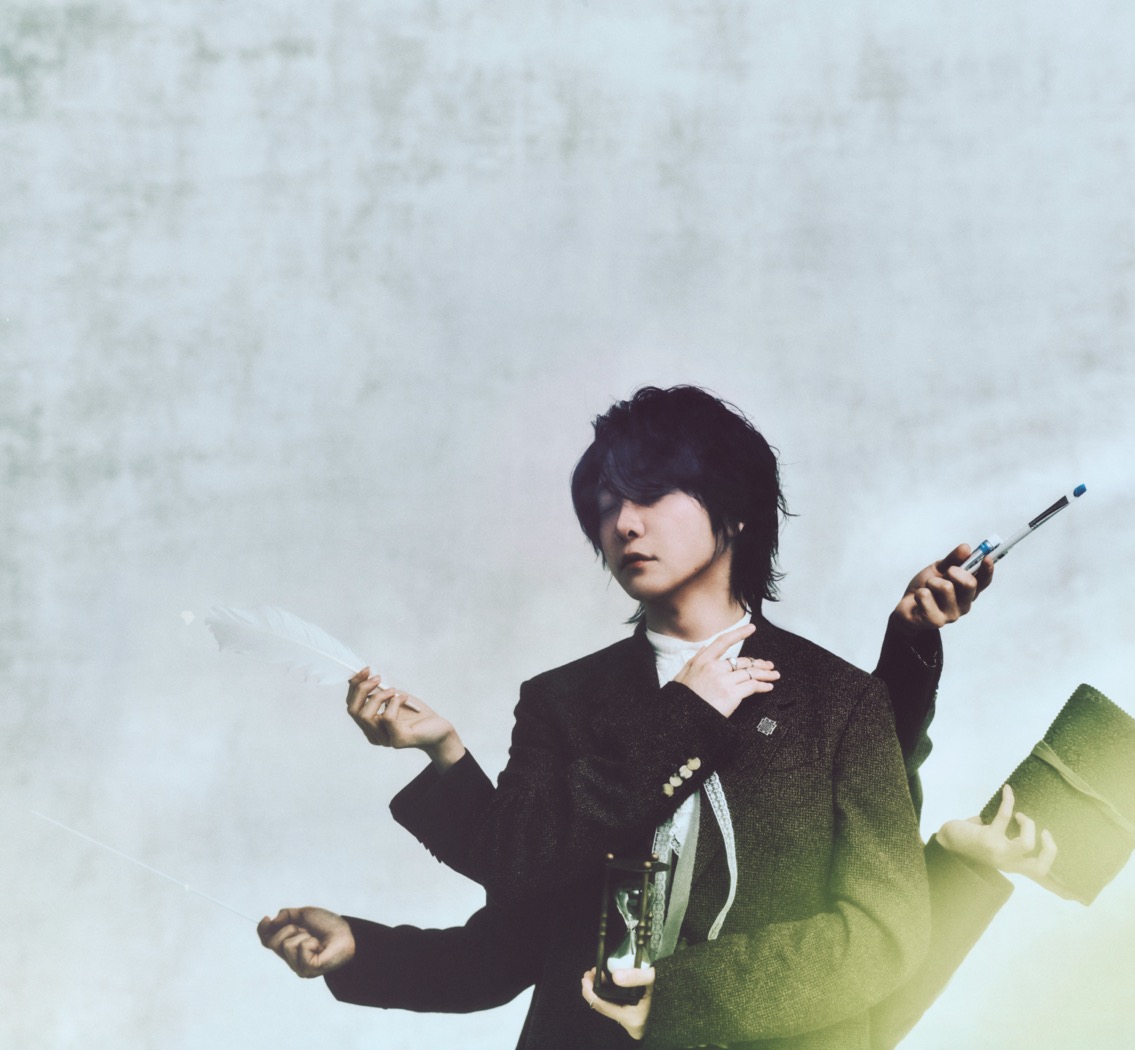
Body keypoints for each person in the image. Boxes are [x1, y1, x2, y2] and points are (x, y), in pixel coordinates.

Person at [259, 386, 1056, 1048]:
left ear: (733, 510)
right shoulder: (562, 701)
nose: (623, 524)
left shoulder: (840, 703)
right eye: (605, 504)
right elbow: (518, 935)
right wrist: (362, 949)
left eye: (648, 494)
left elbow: (882, 937)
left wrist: (673, 999)